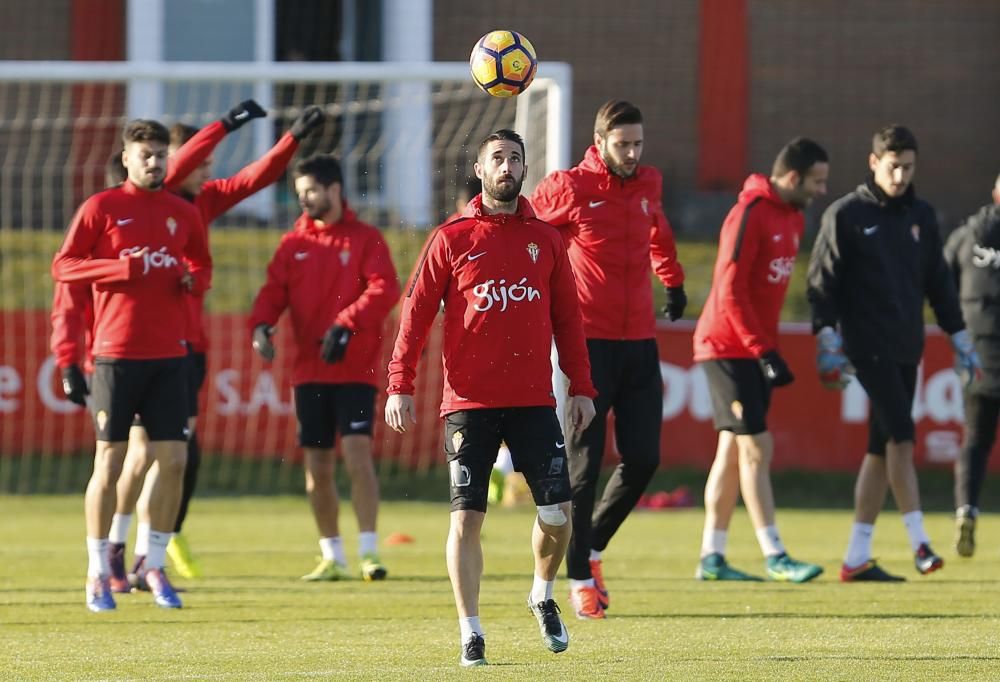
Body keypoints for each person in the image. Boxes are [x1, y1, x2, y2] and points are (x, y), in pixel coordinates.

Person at [385, 129, 597, 667]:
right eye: (497, 159)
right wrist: (399, 384)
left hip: (532, 401)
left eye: (516, 159)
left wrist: (582, 388)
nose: (507, 166)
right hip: (468, 403)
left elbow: (569, 321)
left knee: (558, 514)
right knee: (466, 520)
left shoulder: (548, 240)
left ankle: (542, 594)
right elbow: (414, 316)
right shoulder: (451, 237)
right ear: (480, 170)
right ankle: (470, 631)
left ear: (525, 169)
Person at [104, 101, 325, 587]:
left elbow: (254, 178)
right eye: (198, 160)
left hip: (188, 348)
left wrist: (291, 141)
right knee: (141, 454)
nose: (205, 169)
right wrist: (225, 125)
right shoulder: (140, 200)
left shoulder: (198, 205)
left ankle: (145, 559)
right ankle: (116, 553)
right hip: (141, 345)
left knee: (173, 455)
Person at [529, 100, 685, 619]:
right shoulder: (569, 187)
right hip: (587, 348)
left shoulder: (648, 184)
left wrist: (673, 279)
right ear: (599, 143)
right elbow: (531, 234)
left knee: (644, 460)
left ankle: (590, 550)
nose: (633, 153)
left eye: (639, 144)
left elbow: (658, 231)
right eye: (624, 145)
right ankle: (577, 577)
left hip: (640, 342)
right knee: (583, 469)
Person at [807, 124, 980, 581]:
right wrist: (825, 334)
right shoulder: (846, 215)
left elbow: (939, 286)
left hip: (908, 346)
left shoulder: (921, 215)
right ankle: (920, 542)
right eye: (893, 166)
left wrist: (959, 336)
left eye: (908, 167)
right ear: (873, 163)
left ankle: (855, 556)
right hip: (866, 346)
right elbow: (821, 282)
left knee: (881, 449)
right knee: (903, 436)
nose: (900, 175)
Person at [51, 119, 212, 611]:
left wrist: (192, 280)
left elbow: (201, 263)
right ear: (126, 158)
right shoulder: (102, 208)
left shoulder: (180, 212)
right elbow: (64, 266)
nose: (154, 162)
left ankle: (153, 564)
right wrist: (121, 268)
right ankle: (98, 571)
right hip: (116, 356)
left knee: (176, 460)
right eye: (145, 154)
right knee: (111, 460)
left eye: (161, 154)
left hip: (170, 354)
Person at [249, 153, 400, 583]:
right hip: (308, 371)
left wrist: (346, 324)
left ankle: (369, 552)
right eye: (300, 194)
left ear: (335, 190)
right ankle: (332, 555)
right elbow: (272, 293)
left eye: (312, 191)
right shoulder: (292, 244)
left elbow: (385, 288)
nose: (305, 200)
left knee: (356, 453)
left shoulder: (365, 238)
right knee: (316, 463)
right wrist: (260, 324)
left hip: (354, 370)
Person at [692, 137, 829, 582]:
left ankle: (711, 557)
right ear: (792, 178)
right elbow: (728, 290)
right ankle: (776, 555)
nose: (821, 190)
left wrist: (767, 349)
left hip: (751, 349)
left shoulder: (794, 218)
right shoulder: (749, 213)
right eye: (816, 182)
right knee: (757, 447)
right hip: (727, 347)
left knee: (732, 453)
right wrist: (763, 348)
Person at [943, 172, 1000, 557]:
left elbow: (938, 283)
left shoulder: (965, 236)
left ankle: (966, 509)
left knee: (975, 442)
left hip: (977, 355)